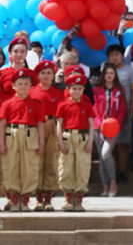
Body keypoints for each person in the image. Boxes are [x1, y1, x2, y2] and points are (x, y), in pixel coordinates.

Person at [0, 68, 44, 212]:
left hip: (30, 135)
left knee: (29, 167)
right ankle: (14, 199)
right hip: (11, 135)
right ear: (13, 86)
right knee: (11, 166)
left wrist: (41, 143)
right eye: (20, 84)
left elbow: (40, 125)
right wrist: (1, 142)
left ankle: (25, 200)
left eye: (26, 84)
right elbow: (2, 123)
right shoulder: (7, 103)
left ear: (31, 86)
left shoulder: (36, 104)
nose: (23, 87)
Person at [56, 72, 93, 212]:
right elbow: (59, 125)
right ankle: (68, 198)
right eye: (73, 88)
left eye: (79, 88)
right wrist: (60, 142)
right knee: (66, 167)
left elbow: (91, 124)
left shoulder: (87, 104)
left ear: (83, 90)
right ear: (68, 89)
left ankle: (79, 198)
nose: (76, 91)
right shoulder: (63, 105)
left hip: (83, 138)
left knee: (82, 167)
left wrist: (90, 142)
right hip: (68, 137)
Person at [29, 60, 63, 211]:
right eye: (43, 73)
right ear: (37, 75)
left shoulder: (58, 93)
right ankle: (38, 197)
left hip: (53, 125)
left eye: (49, 73)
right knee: (37, 161)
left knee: (51, 160)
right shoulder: (32, 91)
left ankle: (48, 197)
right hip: (37, 127)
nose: (46, 76)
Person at [106, 44, 133, 185]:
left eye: (117, 55)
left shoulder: (129, 71)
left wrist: (131, 110)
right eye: (112, 55)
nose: (114, 57)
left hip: (124, 114)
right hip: (109, 115)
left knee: (122, 145)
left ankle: (122, 173)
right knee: (110, 146)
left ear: (121, 56)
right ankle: (112, 171)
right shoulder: (105, 70)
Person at [92, 62, 127, 197]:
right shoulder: (97, 90)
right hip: (99, 128)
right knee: (101, 157)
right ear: (103, 75)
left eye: (112, 73)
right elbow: (94, 108)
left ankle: (113, 182)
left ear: (115, 75)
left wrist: (115, 124)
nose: (109, 75)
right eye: (107, 73)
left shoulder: (120, 90)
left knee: (106, 153)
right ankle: (105, 186)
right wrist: (99, 123)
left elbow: (122, 110)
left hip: (113, 128)